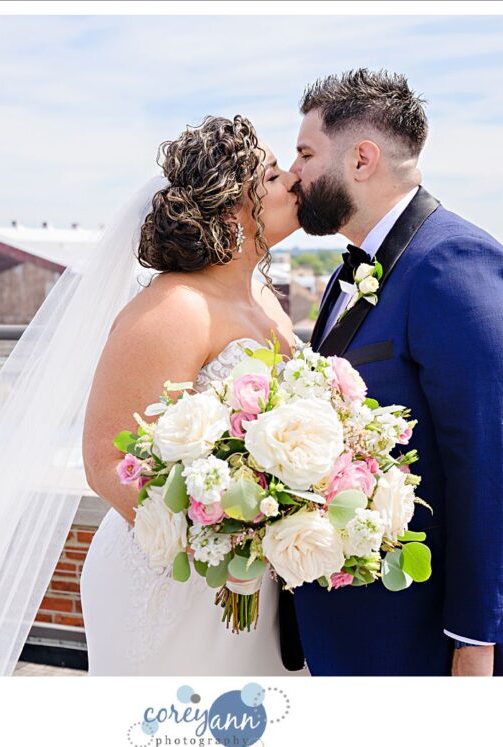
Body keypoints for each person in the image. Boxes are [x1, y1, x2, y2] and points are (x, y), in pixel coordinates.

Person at [287, 68, 503, 676]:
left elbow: (498, 464)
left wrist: (475, 641)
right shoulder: (355, 271)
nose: (293, 172)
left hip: (447, 634)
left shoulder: (457, 266)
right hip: (386, 619)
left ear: (362, 159)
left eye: (305, 152)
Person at [79, 115, 308, 675]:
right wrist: (225, 539)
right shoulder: (175, 309)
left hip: (259, 579)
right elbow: (106, 461)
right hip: (181, 584)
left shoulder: (263, 298)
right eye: (274, 174)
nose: (294, 183)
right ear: (233, 207)